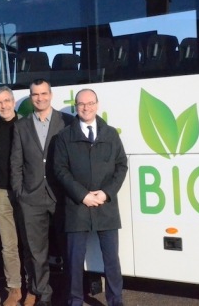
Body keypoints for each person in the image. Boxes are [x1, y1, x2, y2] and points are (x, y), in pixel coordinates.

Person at [54, 89, 128, 306]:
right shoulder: (64, 136)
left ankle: (116, 301)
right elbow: (60, 170)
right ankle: (75, 301)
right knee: (74, 261)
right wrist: (82, 195)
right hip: (77, 206)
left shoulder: (111, 134)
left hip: (106, 206)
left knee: (112, 260)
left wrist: (106, 193)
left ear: (97, 105)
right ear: (75, 106)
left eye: (90, 103)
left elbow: (121, 166)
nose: (86, 107)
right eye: (81, 104)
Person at [11, 79, 74, 306]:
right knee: (36, 252)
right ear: (31, 97)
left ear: (51, 94)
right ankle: (43, 295)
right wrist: (19, 192)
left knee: (68, 249)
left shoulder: (66, 121)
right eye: (35, 94)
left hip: (61, 196)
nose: (40, 98)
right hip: (31, 198)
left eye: (44, 93)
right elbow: (16, 162)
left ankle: (69, 294)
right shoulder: (21, 126)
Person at [0, 86, 32, 306]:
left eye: (6, 101)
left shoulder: (28, 124)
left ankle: (33, 287)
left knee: (30, 243)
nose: (3, 106)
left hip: (26, 192)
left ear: (13, 101)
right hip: (1, 193)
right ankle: (15, 289)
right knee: (8, 244)